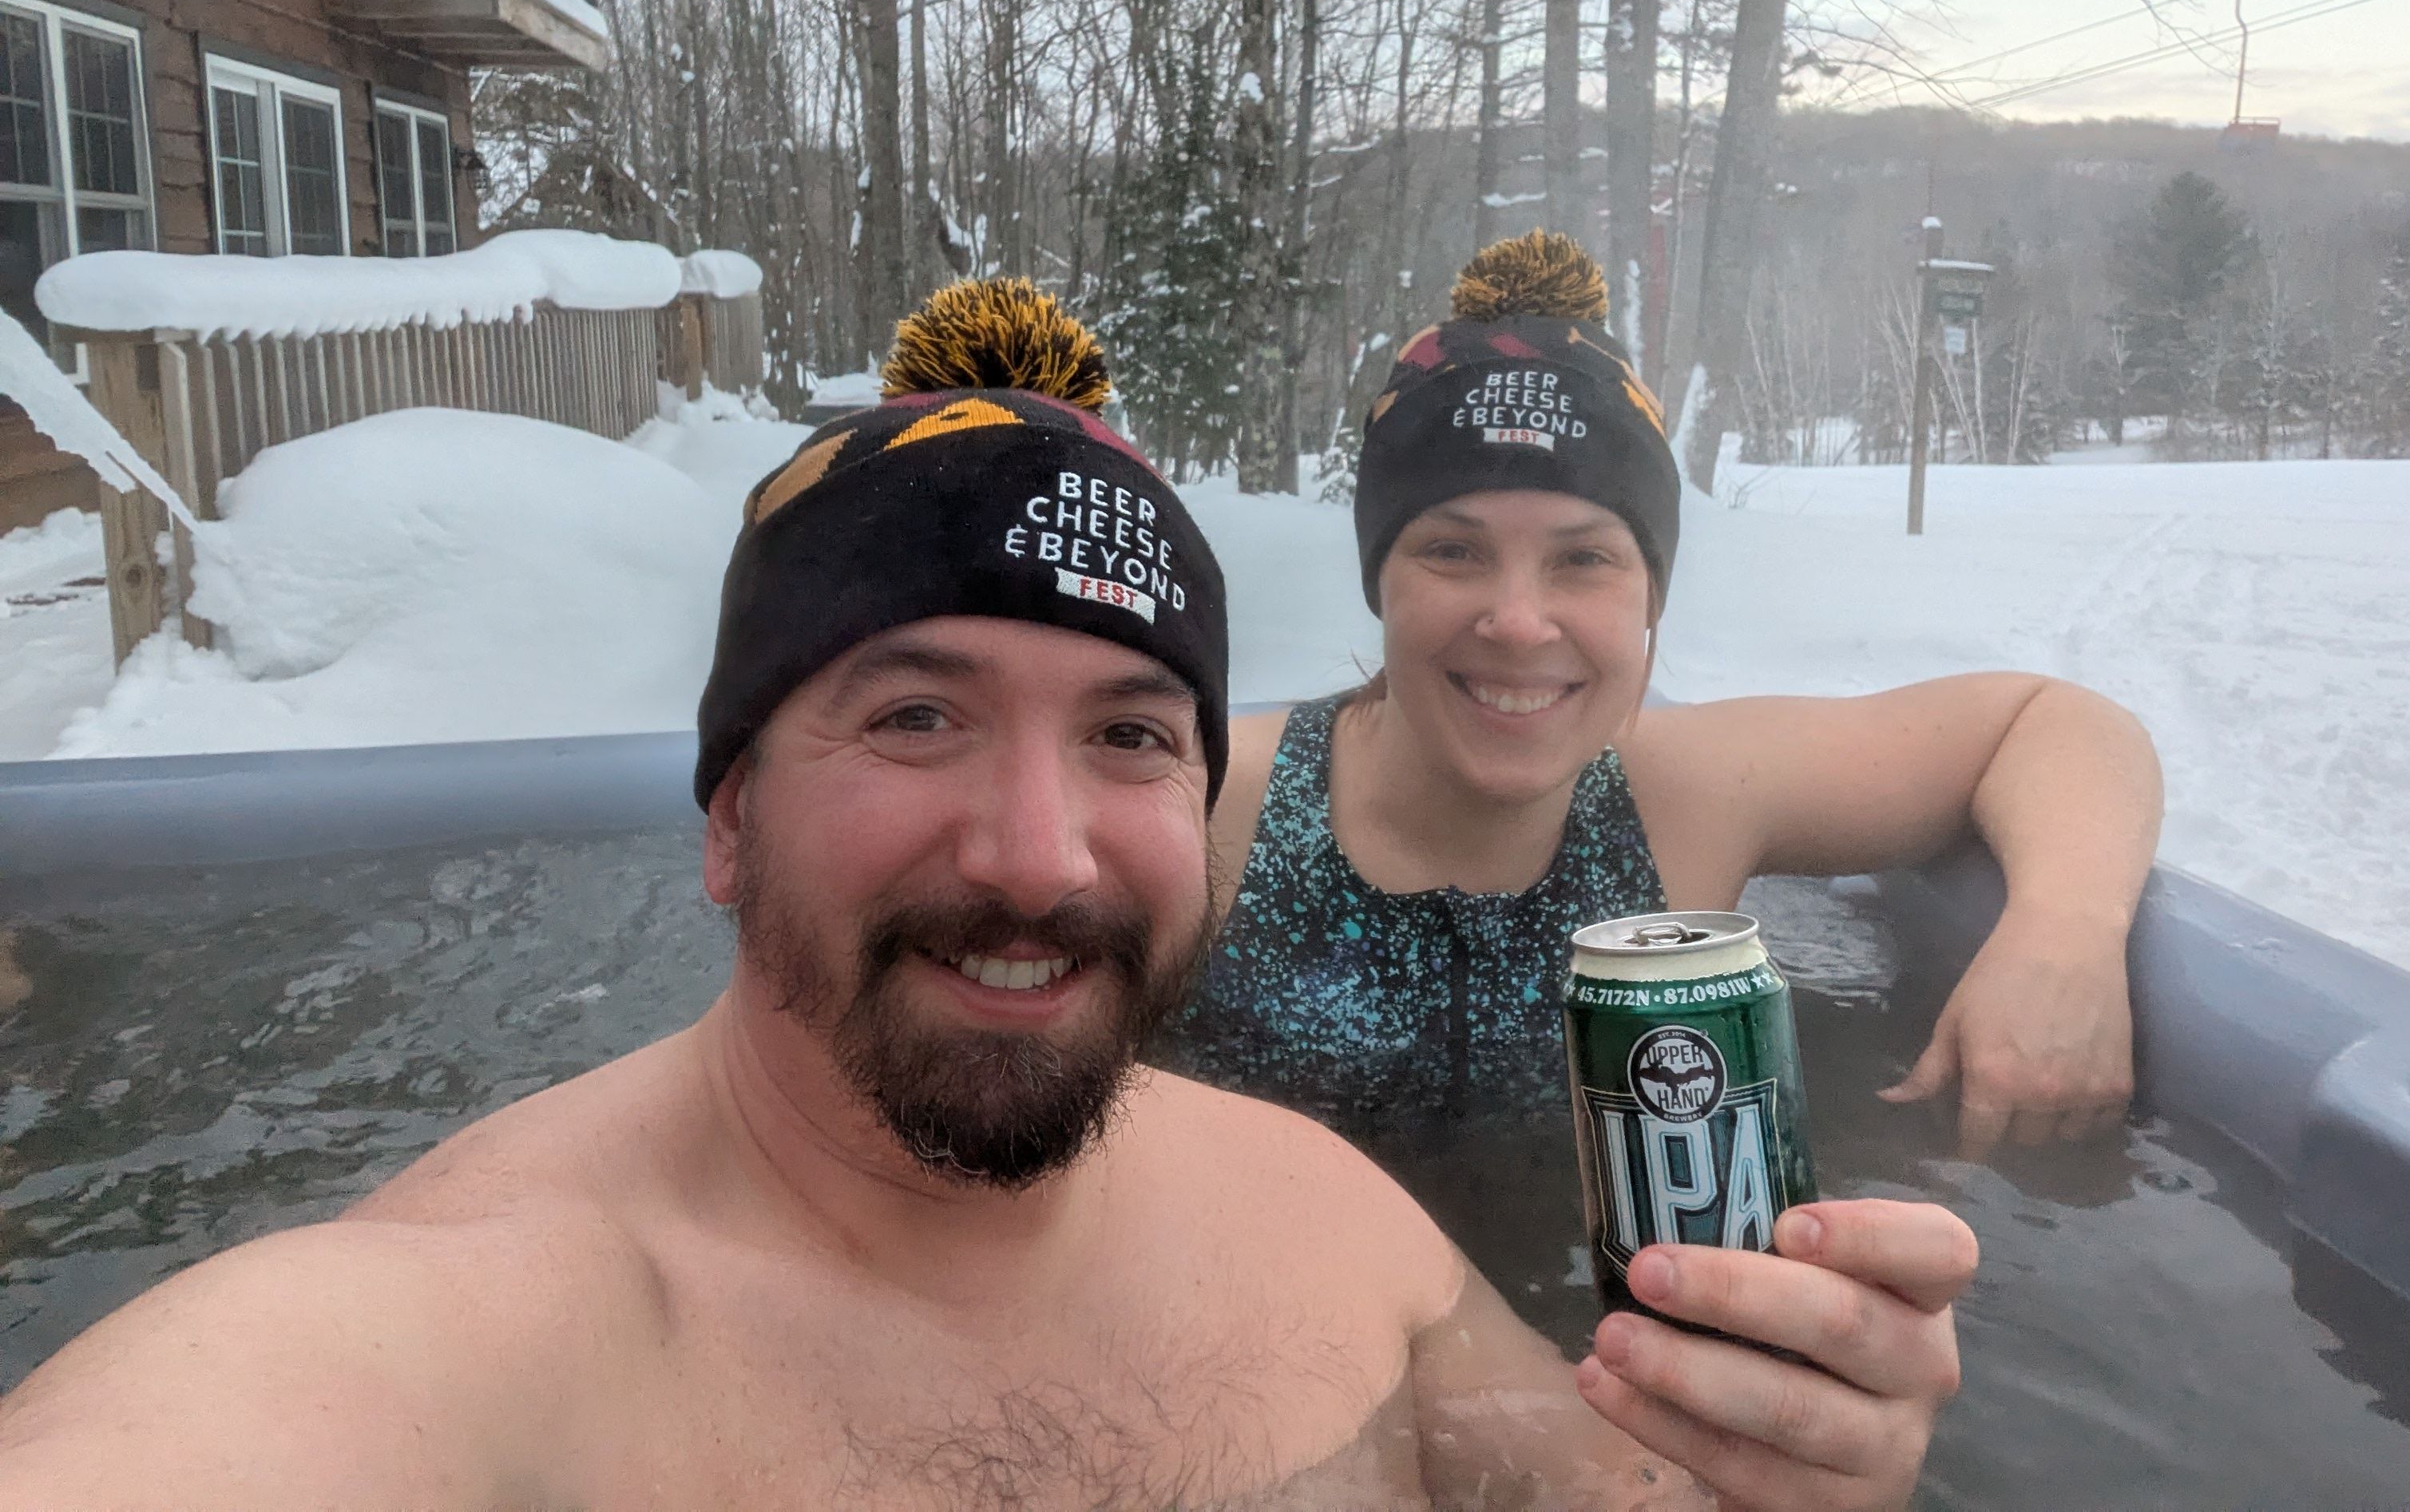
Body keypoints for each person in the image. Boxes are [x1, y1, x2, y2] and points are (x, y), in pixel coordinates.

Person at [0, 280, 1976, 1510]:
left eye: (1126, 735)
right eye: (916, 715)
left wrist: (1791, 1463)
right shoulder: (484, 1338)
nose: (1038, 851)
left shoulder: (1326, 1227)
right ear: (726, 814)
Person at [1175, 232, 2159, 1159]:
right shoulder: (1212, 800)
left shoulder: (1685, 794)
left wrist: (2063, 932)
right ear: (1378, 579)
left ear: (1650, 596)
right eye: (1452, 551)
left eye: (1583, 560)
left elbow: (2051, 722)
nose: (1518, 622)